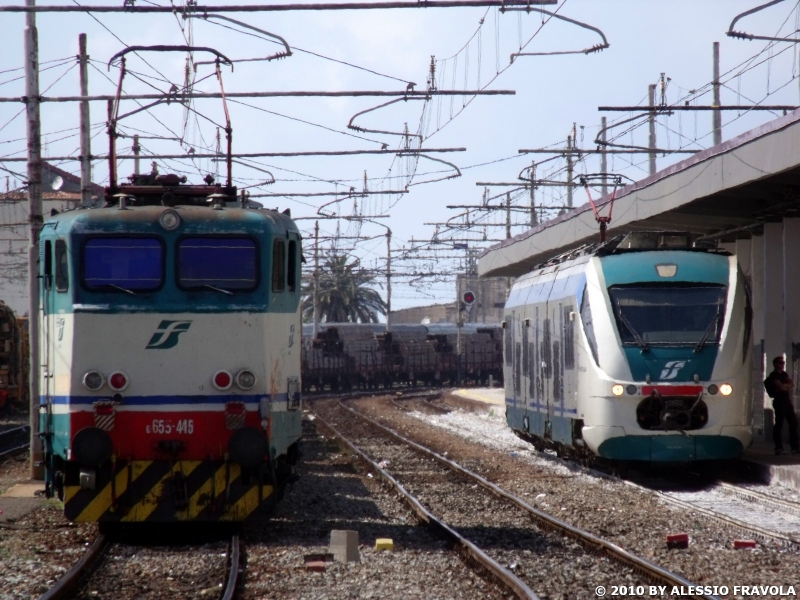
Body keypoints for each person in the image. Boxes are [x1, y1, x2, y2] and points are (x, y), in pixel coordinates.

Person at [764, 356, 800, 456]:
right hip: (779, 401)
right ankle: (778, 448)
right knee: (779, 424)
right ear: (775, 364)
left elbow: (791, 384)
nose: (782, 364)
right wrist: (784, 386)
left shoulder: (784, 374)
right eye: (780, 363)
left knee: (793, 423)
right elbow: (782, 388)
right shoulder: (773, 375)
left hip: (787, 401)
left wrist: (784, 386)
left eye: (783, 363)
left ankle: (795, 447)